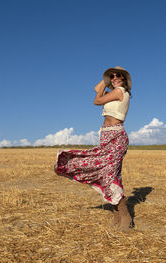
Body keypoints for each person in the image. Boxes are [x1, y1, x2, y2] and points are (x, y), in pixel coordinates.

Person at [54, 66, 132, 229]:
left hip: (117, 136)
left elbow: (96, 100)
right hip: (106, 135)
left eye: (119, 76)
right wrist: (106, 80)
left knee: (109, 175)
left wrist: (107, 82)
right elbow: (97, 89)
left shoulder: (119, 91)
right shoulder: (112, 92)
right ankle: (117, 215)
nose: (115, 78)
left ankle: (125, 216)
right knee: (107, 175)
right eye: (113, 76)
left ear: (125, 79)